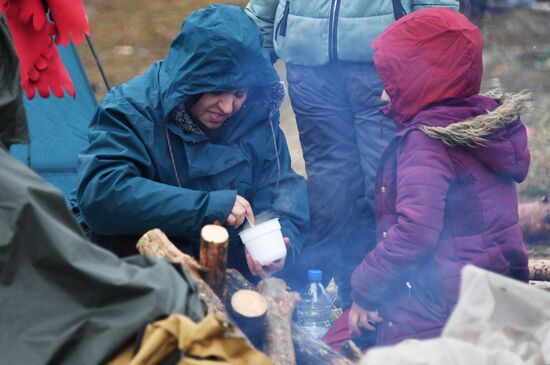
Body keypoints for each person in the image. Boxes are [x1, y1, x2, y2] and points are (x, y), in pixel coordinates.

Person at [323, 8, 531, 349]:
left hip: (446, 307)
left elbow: (415, 234)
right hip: (498, 291)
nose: (382, 96)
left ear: (421, 79)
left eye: (391, 82)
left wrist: (365, 290)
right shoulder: (484, 123)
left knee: (330, 345)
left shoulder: (427, 143)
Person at [71, 5, 309, 280]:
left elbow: (283, 196)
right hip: (141, 273)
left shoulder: (257, 117)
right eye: (217, 91)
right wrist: (207, 207)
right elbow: (102, 194)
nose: (229, 106)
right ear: (191, 81)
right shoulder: (132, 109)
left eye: (239, 93)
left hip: (227, 277)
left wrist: (283, 245)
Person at [245, 0, 459, 304]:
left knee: (385, 184)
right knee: (330, 188)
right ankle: (346, 299)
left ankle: (388, 301)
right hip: (308, 64)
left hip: (385, 61)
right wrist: (251, 54)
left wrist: (432, 52)